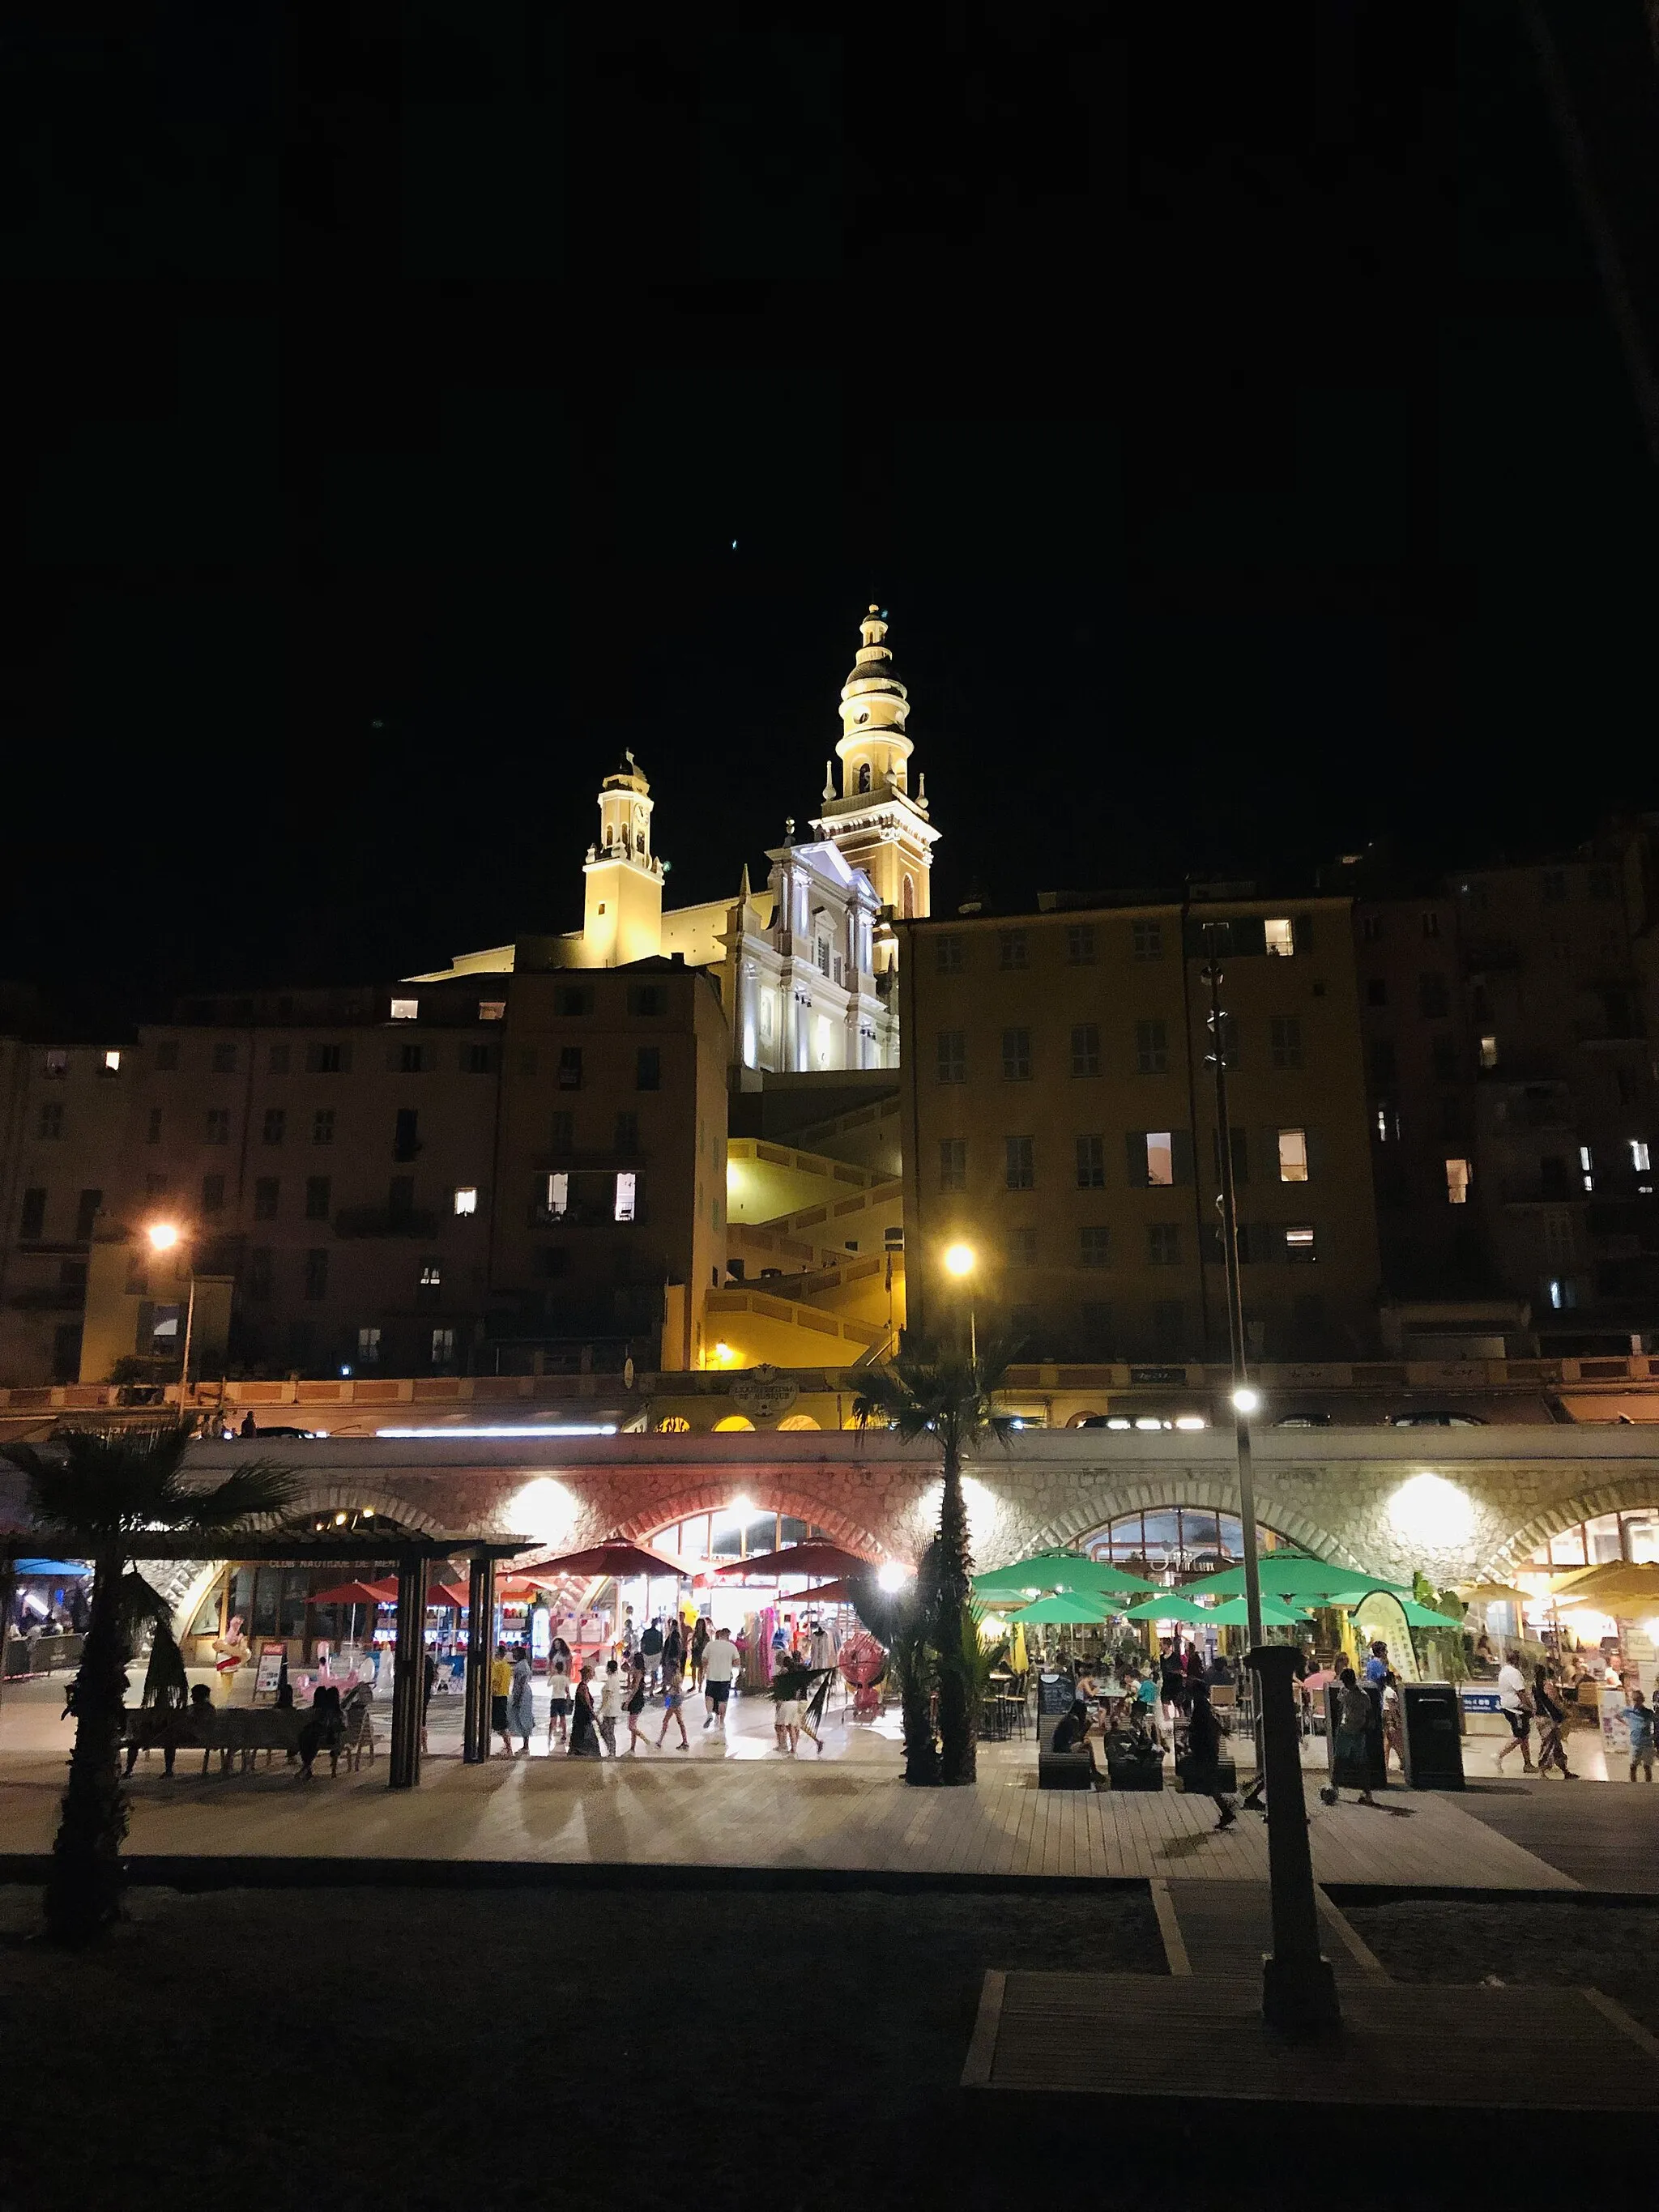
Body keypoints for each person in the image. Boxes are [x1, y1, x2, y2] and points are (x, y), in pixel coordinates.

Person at [1181, 1679, 1236, 1830]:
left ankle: (1227, 1809)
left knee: (1208, 1781)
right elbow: (1211, 1723)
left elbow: (1200, 1726)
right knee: (1208, 1781)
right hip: (1208, 1748)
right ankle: (1226, 1808)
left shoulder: (1200, 1706)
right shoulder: (1204, 1705)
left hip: (1205, 1749)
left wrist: (1188, 1731)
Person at [1331, 1668, 1378, 1807]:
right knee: (1343, 1759)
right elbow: (1342, 1708)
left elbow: (1369, 1714)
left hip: (1356, 1731)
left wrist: (1365, 1728)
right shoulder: (1345, 1691)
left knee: (1356, 1761)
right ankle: (1336, 1787)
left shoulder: (1363, 1696)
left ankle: (1365, 1791)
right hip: (1347, 1729)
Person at [1532, 1664, 1576, 1780]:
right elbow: (1556, 1702)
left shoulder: (1534, 1686)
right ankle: (1542, 1770)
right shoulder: (1547, 1686)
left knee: (1556, 1745)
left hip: (1540, 1718)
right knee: (1549, 1745)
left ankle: (1565, 1770)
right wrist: (1565, 1712)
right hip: (1549, 1719)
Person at [1051, 1696, 1106, 1788]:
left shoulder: (1069, 1717)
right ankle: (1094, 1770)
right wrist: (1088, 1724)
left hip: (1061, 1746)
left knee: (1087, 1746)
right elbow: (1077, 1738)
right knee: (1087, 1744)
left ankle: (1093, 1770)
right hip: (1064, 1748)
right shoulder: (1073, 1720)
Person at [1496, 1648, 1534, 1773]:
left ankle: (1527, 1764)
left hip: (1509, 1706)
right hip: (1516, 1709)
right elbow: (1521, 1692)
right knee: (1520, 1735)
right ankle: (1499, 1756)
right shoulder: (1514, 1673)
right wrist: (1530, 1707)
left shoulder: (1504, 1671)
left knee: (1524, 1736)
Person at [772, 1652, 812, 1755]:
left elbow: (779, 1691)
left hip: (786, 1702)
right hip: (798, 1701)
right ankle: (793, 1748)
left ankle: (782, 1745)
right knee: (793, 1726)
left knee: (780, 1726)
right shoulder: (801, 1672)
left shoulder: (784, 1676)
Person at [702, 1622, 738, 1732]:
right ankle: (721, 1721)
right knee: (723, 1700)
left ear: (719, 1635)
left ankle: (709, 1714)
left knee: (709, 1696)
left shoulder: (710, 1645)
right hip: (725, 1677)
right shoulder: (731, 1647)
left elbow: (704, 1660)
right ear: (727, 1636)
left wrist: (705, 1670)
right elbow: (737, 1662)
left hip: (711, 1676)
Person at [656, 1642, 689, 1750]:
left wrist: (667, 1702)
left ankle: (660, 1741)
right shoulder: (679, 1675)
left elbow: (673, 1690)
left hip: (673, 1699)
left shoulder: (675, 1677)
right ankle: (684, 1741)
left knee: (666, 1720)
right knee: (679, 1721)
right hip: (676, 1699)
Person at [569, 1663, 602, 1758]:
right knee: (589, 1739)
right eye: (591, 1673)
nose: (593, 1675)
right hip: (583, 1718)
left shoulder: (582, 1687)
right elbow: (587, 1704)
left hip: (581, 1718)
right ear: (588, 1674)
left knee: (580, 1737)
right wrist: (595, 1716)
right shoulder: (583, 1688)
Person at [1623, 1687, 1655, 1782]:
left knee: (1647, 1766)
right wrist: (1627, 1724)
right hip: (1635, 1742)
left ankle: (1648, 1785)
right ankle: (1633, 1784)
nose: (1636, 1702)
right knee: (1633, 1765)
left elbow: (1655, 1722)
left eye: (1638, 1700)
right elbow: (1617, 1715)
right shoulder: (1629, 1711)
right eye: (1634, 1700)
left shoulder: (1648, 1713)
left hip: (1647, 1743)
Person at [490, 1643, 515, 1758]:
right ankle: (507, 1746)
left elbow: (493, 1680)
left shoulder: (497, 1666)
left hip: (496, 1696)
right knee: (501, 1722)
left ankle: (508, 1747)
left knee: (499, 1724)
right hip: (504, 1694)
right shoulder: (507, 1666)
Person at [546, 1650, 574, 1748]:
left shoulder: (554, 1677)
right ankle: (564, 1735)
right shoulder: (565, 1678)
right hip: (562, 1699)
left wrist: (552, 1674)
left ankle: (549, 1735)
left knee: (553, 1719)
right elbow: (567, 1689)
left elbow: (548, 1685)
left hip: (554, 1699)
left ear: (556, 1668)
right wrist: (569, 1696)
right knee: (563, 1718)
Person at [596, 1658, 624, 1756]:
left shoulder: (610, 1681)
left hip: (610, 1710)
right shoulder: (615, 1680)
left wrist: (601, 1710)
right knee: (607, 1730)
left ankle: (612, 1750)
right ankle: (611, 1750)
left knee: (607, 1731)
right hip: (612, 1709)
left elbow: (607, 1698)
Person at [1380, 1670, 1405, 1775]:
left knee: (1388, 1742)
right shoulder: (1390, 1692)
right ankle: (1403, 1761)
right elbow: (1392, 1707)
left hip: (1386, 1717)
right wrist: (1396, 1721)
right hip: (1391, 1718)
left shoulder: (1385, 1690)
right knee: (1397, 1740)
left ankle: (1386, 1764)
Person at [624, 1652, 648, 1754]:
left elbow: (635, 1688)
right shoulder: (638, 1672)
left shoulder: (638, 1673)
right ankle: (632, 1747)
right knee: (633, 1724)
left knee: (631, 1726)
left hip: (637, 1700)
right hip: (638, 1699)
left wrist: (627, 1702)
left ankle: (647, 1741)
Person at [639, 1615, 663, 1690]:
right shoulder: (659, 1634)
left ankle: (641, 1686)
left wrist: (642, 1652)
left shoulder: (646, 1632)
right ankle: (651, 1690)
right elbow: (661, 1646)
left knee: (644, 1671)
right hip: (656, 1654)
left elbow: (642, 1643)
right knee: (654, 1672)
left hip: (647, 1653)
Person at [690, 1613, 710, 1692]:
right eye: (698, 1624)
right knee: (693, 1668)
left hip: (702, 1653)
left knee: (701, 1670)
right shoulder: (695, 1634)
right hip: (695, 1652)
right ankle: (694, 1685)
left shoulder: (705, 1635)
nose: (699, 1625)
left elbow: (707, 1644)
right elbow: (693, 1643)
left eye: (701, 1624)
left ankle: (700, 1686)